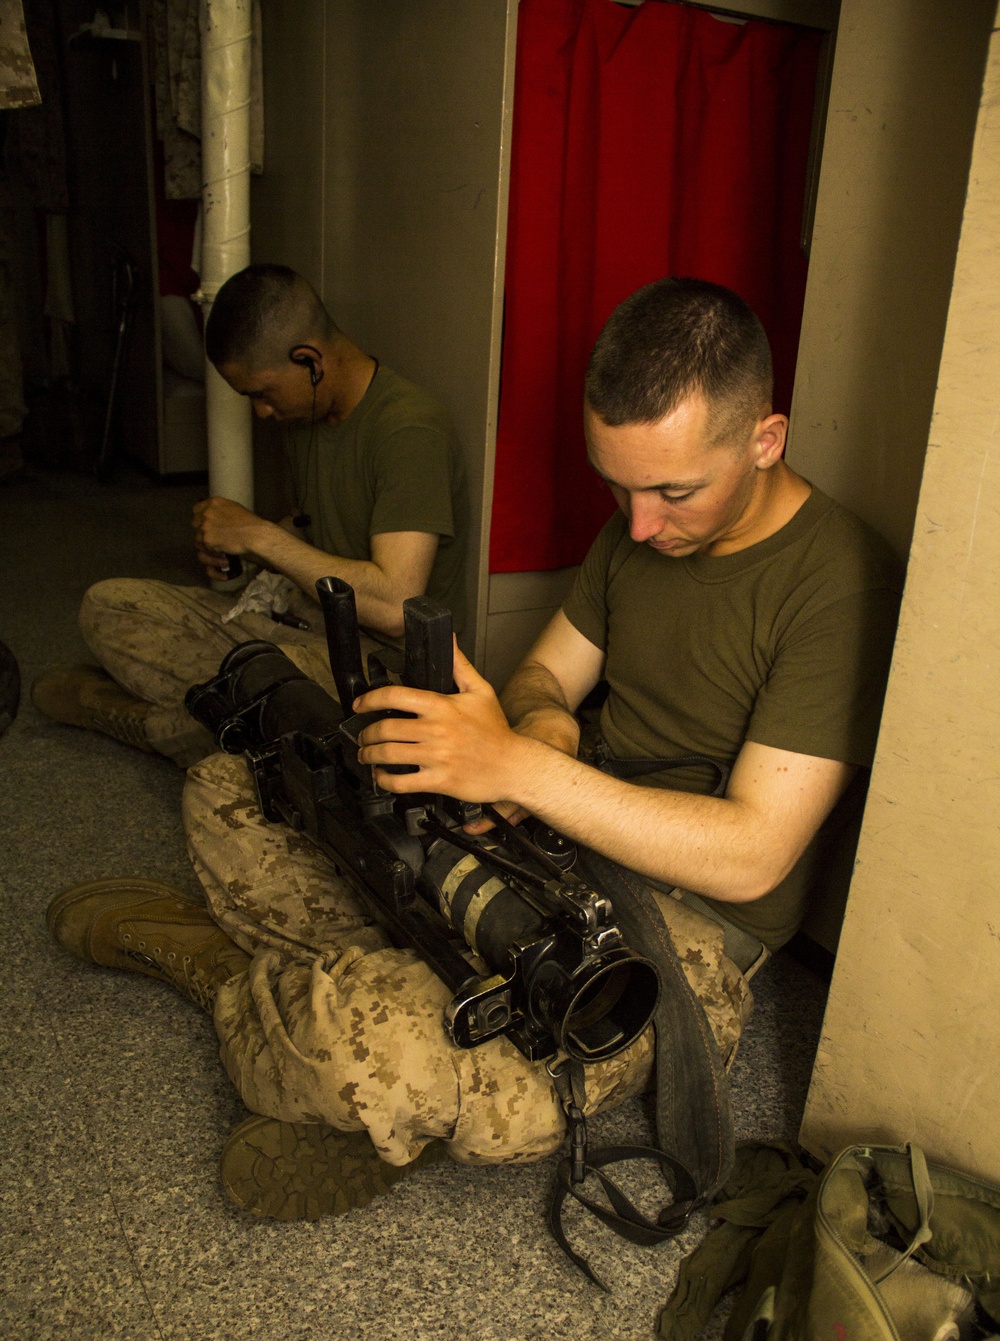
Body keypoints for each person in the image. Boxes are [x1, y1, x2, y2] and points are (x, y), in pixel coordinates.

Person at [46, 279, 901, 1222]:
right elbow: (541, 681)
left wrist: (524, 769)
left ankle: (232, 978)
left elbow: (754, 854)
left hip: (677, 926)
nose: (641, 522)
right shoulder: (639, 532)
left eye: (673, 491)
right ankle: (369, 1004)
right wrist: (539, 730)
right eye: (617, 485)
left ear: (766, 440)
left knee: (365, 1047)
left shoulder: (839, 582)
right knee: (234, 791)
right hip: (553, 834)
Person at [32, 264, 470, 767]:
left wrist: (260, 536)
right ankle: (219, 712)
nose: (261, 412)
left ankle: (137, 721)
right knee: (107, 605)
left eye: (262, 393)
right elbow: (314, 528)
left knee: (287, 711)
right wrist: (239, 548)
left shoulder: (409, 430)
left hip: (377, 667)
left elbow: (395, 607)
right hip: (299, 626)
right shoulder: (306, 412)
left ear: (310, 361)